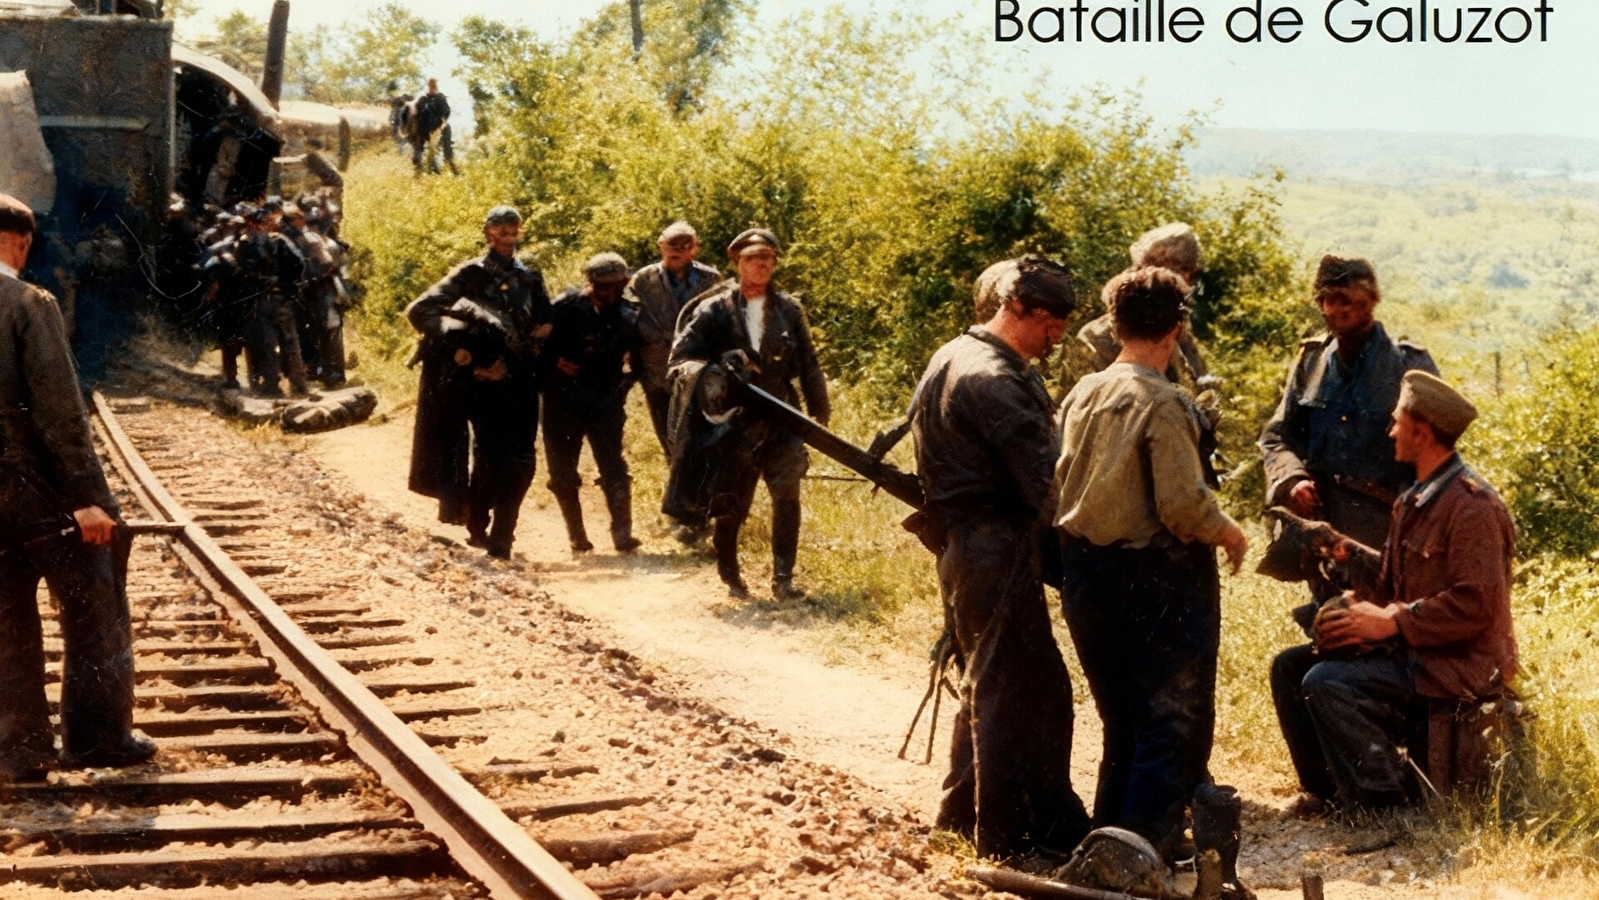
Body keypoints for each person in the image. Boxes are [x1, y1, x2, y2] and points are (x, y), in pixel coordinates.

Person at [1052, 267, 1248, 864]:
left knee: (1121, 719)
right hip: (1154, 579)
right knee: (1169, 720)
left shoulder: (1083, 393)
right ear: (1177, 328)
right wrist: (1228, 532)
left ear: (1114, 325)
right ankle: (1144, 850)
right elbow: (1182, 506)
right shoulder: (1163, 402)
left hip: (1085, 574)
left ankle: (1107, 842)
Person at [909, 254, 1091, 859]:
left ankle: (962, 819)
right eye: (1047, 321)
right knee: (1017, 689)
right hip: (997, 547)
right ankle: (1007, 839)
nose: (1056, 335)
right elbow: (1047, 488)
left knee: (994, 680)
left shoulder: (952, 355)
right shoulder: (996, 380)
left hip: (965, 547)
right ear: (1014, 307)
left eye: (1063, 322)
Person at [1271, 371, 1516, 811]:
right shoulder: (1413, 500)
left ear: (1421, 432)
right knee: (1289, 667)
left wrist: (1392, 622)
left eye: (1397, 422)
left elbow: (1476, 605)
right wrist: (1345, 562)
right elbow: (1391, 583)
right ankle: (1328, 793)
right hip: (1420, 651)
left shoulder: (1472, 507)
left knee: (1326, 682)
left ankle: (1386, 807)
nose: (1390, 432)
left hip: (1457, 664)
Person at [0, 193, 154, 783]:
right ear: (18, 242)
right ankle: (98, 739)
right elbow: (60, 411)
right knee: (95, 598)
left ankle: (17, 750)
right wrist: (89, 499)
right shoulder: (27, 303)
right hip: (35, 491)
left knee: (5, 617)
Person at [1258, 257, 1438, 626]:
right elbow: (1277, 436)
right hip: (1323, 527)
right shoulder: (1311, 362)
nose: (1337, 310)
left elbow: (1436, 453)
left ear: (1371, 301)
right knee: (1328, 624)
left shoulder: (1408, 365)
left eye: (1348, 300)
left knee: (1385, 626)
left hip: (1386, 530)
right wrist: (1292, 480)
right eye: (1329, 300)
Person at [667, 228, 828, 600]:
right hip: (734, 424)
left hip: (783, 417)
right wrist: (717, 370)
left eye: (767, 258)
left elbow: (809, 363)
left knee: (787, 495)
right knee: (731, 503)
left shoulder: (789, 310)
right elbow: (681, 360)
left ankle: (783, 579)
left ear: (775, 263)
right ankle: (731, 576)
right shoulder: (713, 310)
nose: (760, 265)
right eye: (752, 258)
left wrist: (819, 409)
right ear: (737, 263)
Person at [407, 206, 551, 559]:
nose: (508, 238)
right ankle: (478, 522)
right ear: (488, 233)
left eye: (513, 231)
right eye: (501, 231)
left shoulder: (529, 276)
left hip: (522, 375)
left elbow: (545, 319)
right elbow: (421, 310)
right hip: (483, 380)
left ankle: (504, 534)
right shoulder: (470, 273)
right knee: (490, 455)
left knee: (523, 459)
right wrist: (461, 343)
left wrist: (542, 335)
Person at [543, 252, 644, 554]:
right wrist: (555, 364)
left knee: (613, 466)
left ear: (624, 283)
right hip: (563, 398)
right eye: (599, 285)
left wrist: (622, 386)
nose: (605, 291)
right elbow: (537, 346)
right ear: (590, 282)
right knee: (563, 471)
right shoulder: (565, 307)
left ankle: (622, 533)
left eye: (612, 285)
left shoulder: (630, 315)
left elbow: (639, 362)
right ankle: (577, 535)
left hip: (605, 399)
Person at [625, 221, 723, 455]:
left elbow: (723, 320)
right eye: (671, 244)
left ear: (695, 248)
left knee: (704, 436)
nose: (676, 250)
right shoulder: (643, 279)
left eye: (684, 245)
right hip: (657, 372)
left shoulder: (711, 279)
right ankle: (676, 475)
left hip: (700, 370)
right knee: (669, 437)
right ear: (661, 246)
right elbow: (627, 318)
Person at [1076, 223, 1210, 382]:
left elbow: (1195, 385)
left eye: (1191, 273)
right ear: (1143, 273)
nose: (1187, 282)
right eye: (1180, 270)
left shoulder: (1179, 334)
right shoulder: (1095, 339)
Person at [236, 205, 308, 396]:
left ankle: (279, 385)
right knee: (281, 342)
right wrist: (287, 286)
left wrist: (284, 285)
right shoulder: (275, 241)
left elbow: (298, 263)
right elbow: (298, 263)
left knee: (273, 343)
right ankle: (291, 384)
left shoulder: (248, 242)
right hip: (272, 298)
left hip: (266, 299)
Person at [411, 79, 454, 175]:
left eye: (434, 85)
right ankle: (422, 167)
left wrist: (442, 123)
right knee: (421, 148)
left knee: (446, 131)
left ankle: (447, 162)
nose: (433, 87)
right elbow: (416, 115)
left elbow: (446, 112)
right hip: (425, 129)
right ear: (429, 86)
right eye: (432, 85)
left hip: (437, 127)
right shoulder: (423, 99)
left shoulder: (440, 98)